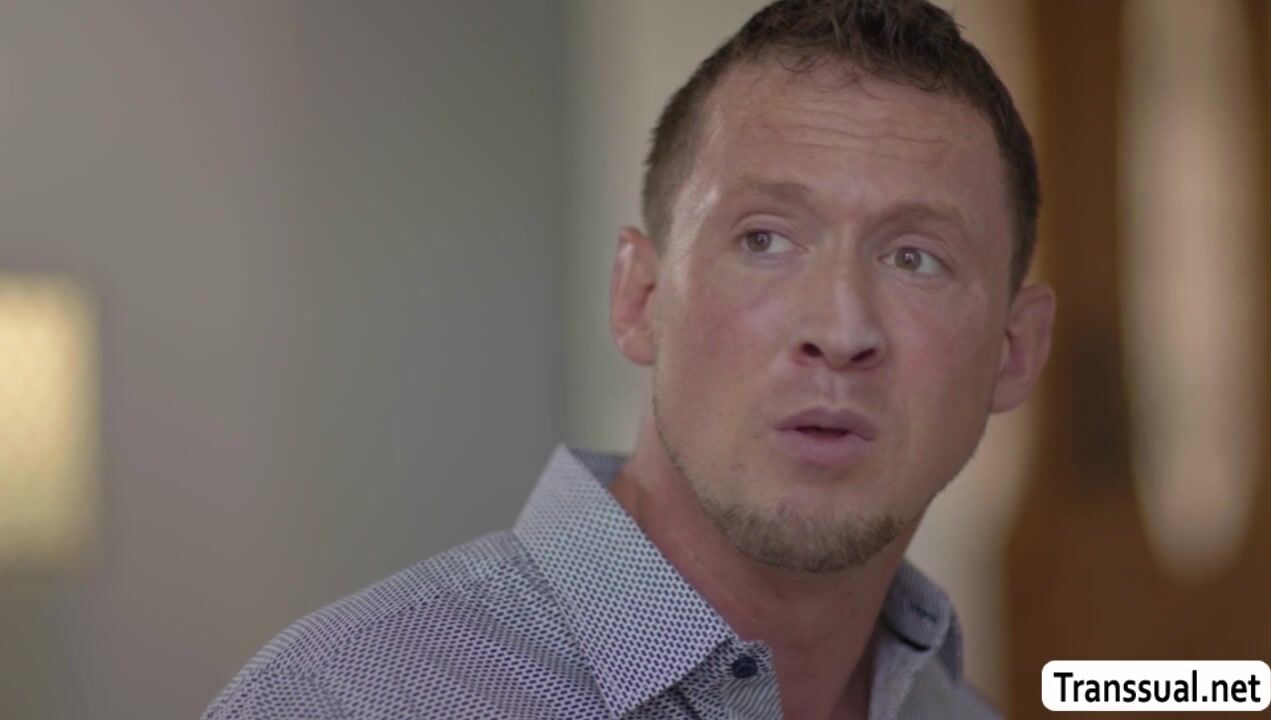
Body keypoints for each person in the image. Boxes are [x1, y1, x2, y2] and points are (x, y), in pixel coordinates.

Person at [203, 0, 1054, 717]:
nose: (839, 330)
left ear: (1015, 352)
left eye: (914, 258)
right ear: (639, 298)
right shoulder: (343, 701)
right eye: (763, 239)